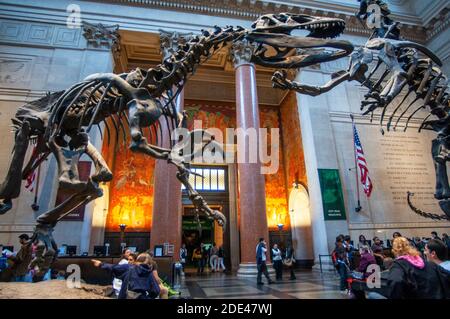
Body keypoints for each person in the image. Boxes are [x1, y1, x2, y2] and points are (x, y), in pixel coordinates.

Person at [92, 253, 160, 299]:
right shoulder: (149, 273)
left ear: (137, 260)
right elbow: (156, 291)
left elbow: (114, 267)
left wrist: (101, 264)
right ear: (149, 263)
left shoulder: (129, 268)